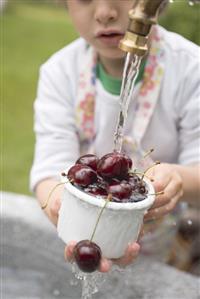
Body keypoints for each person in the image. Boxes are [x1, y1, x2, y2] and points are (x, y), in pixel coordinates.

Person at [30, 0, 200, 272]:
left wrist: (178, 178)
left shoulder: (190, 68)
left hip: (171, 244)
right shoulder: (60, 72)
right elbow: (49, 168)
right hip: (87, 231)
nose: (105, 13)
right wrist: (58, 203)